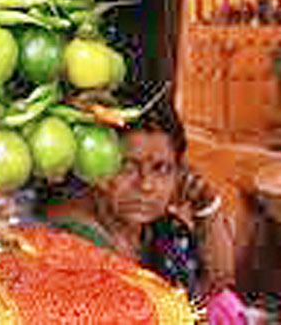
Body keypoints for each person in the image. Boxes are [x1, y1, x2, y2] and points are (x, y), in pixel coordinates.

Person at [43, 96, 252, 324]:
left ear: (180, 175)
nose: (145, 185)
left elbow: (217, 281)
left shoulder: (164, 232)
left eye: (161, 168)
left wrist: (207, 207)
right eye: (128, 167)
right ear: (98, 169)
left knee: (224, 305)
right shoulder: (74, 239)